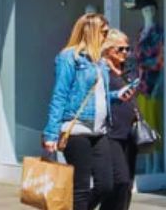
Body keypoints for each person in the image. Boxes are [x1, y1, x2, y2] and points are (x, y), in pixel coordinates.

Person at [43, 12, 113, 210]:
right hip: (76, 129)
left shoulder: (99, 61)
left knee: (106, 185)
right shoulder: (69, 57)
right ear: (91, 32)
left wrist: (116, 96)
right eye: (104, 32)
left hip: (99, 131)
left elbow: (98, 95)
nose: (106, 37)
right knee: (81, 188)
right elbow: (60, 95)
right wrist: (51, 133)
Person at [94, 30, 140, 210]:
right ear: (107, 49)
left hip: (129, 132)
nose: (125, 53)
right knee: (118, 182)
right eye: (120, 49)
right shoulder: (100, 70)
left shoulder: (126, 69)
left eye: (128, 49)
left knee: (126, 184)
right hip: (111, 133)